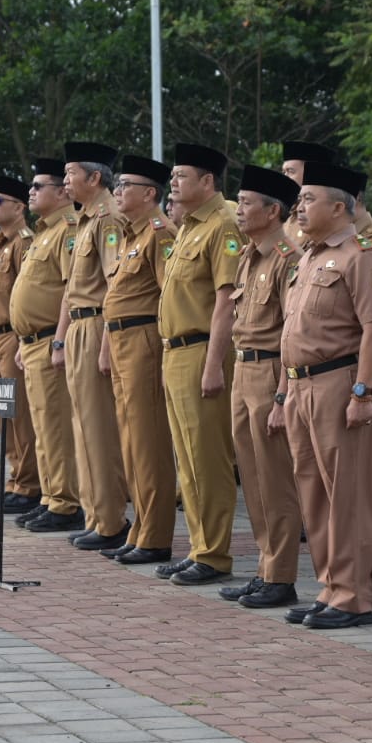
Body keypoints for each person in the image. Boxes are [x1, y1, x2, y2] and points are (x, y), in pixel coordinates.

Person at [271, 163, 372, 628]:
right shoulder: (307, 257)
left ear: (339, 207)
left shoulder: (362, 257)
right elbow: (291, 331)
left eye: (309, 199)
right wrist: (282, 395)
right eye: (300, 200)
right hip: (300, 386)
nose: (299, 206)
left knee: (348, 495)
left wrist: (362, 392)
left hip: (339, 385)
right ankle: (330, 586)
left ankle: (355, 597)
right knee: (313, 493)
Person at [153, 143, 242, 586]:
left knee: (207, 456)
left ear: (207, 182)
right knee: (187, 459)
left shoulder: (222, 225)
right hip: (175, 350)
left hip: (201, 349)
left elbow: (226, 300)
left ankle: (215, 554)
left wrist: (212, 365)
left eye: (182, 175)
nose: (173, 182)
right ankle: (198, 546)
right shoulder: (186, 226)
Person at [218, 164, 304, 604]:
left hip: (271, 371)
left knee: (275, 480)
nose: (240, 209)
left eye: (247, 202)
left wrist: (283, 395)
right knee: (251, 478)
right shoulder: (249, 255)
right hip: (243, 370)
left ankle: (282, 575)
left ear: (273, 211)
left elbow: (292, 331)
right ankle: (265, 565)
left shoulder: (289, 259)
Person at [99, 154, 177, 565]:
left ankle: (156, 535)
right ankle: (141, 528)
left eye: (126, 185)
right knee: (130, 440)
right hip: (121, 339)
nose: (118, 192)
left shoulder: (160, 234)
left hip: (145, 338)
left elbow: (170, 296)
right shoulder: (130, 234)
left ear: (150, 193)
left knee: (148, 443)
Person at [58, 141, 129, 550]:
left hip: (97, 325)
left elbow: (114, 285)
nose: (66, 181)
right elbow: (71, 288)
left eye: (70, 174)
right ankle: (95, 514)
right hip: (79, 328)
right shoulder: (85, 220)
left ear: (94, 177)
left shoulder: (108, 220)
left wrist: (104, 344)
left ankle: (110, 520)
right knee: (83, 425)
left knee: (100, 429)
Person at [10, 159, 84, 532]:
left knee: (55, 424)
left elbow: (71, 290)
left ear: (60, 192)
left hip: (50, 339)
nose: (31, 191)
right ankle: (51, 496)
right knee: (42, 424)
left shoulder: (69, 229)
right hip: (32, 341)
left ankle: (66, 502)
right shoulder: (43, 232)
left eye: (39, 186)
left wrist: (58, 339)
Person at [0, 176, 41, 513]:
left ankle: (28, 483)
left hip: (11, 338)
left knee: (19, 417)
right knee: (2, 414)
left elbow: (24, 298)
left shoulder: (23, 243)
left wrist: (20, 338)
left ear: (19, 207)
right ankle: (14, 480)